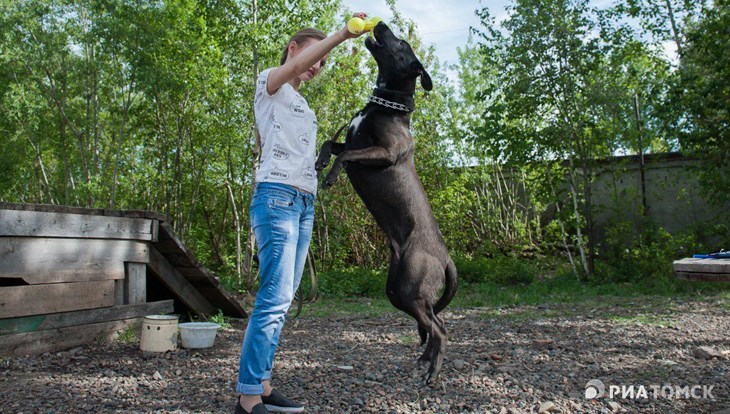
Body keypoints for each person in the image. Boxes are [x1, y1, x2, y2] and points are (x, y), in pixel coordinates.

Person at [235, 13, 368, 414]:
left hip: (303, 202)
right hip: (276, 198)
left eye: (323, 63)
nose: (317, 66)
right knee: (273, 299)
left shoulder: (299, 103)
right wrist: (342, 35)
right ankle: (247, 398)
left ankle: (263, 384)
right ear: (293, 49)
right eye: (314, 56)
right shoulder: (270, 81)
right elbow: (290, 70)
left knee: (283, 300)